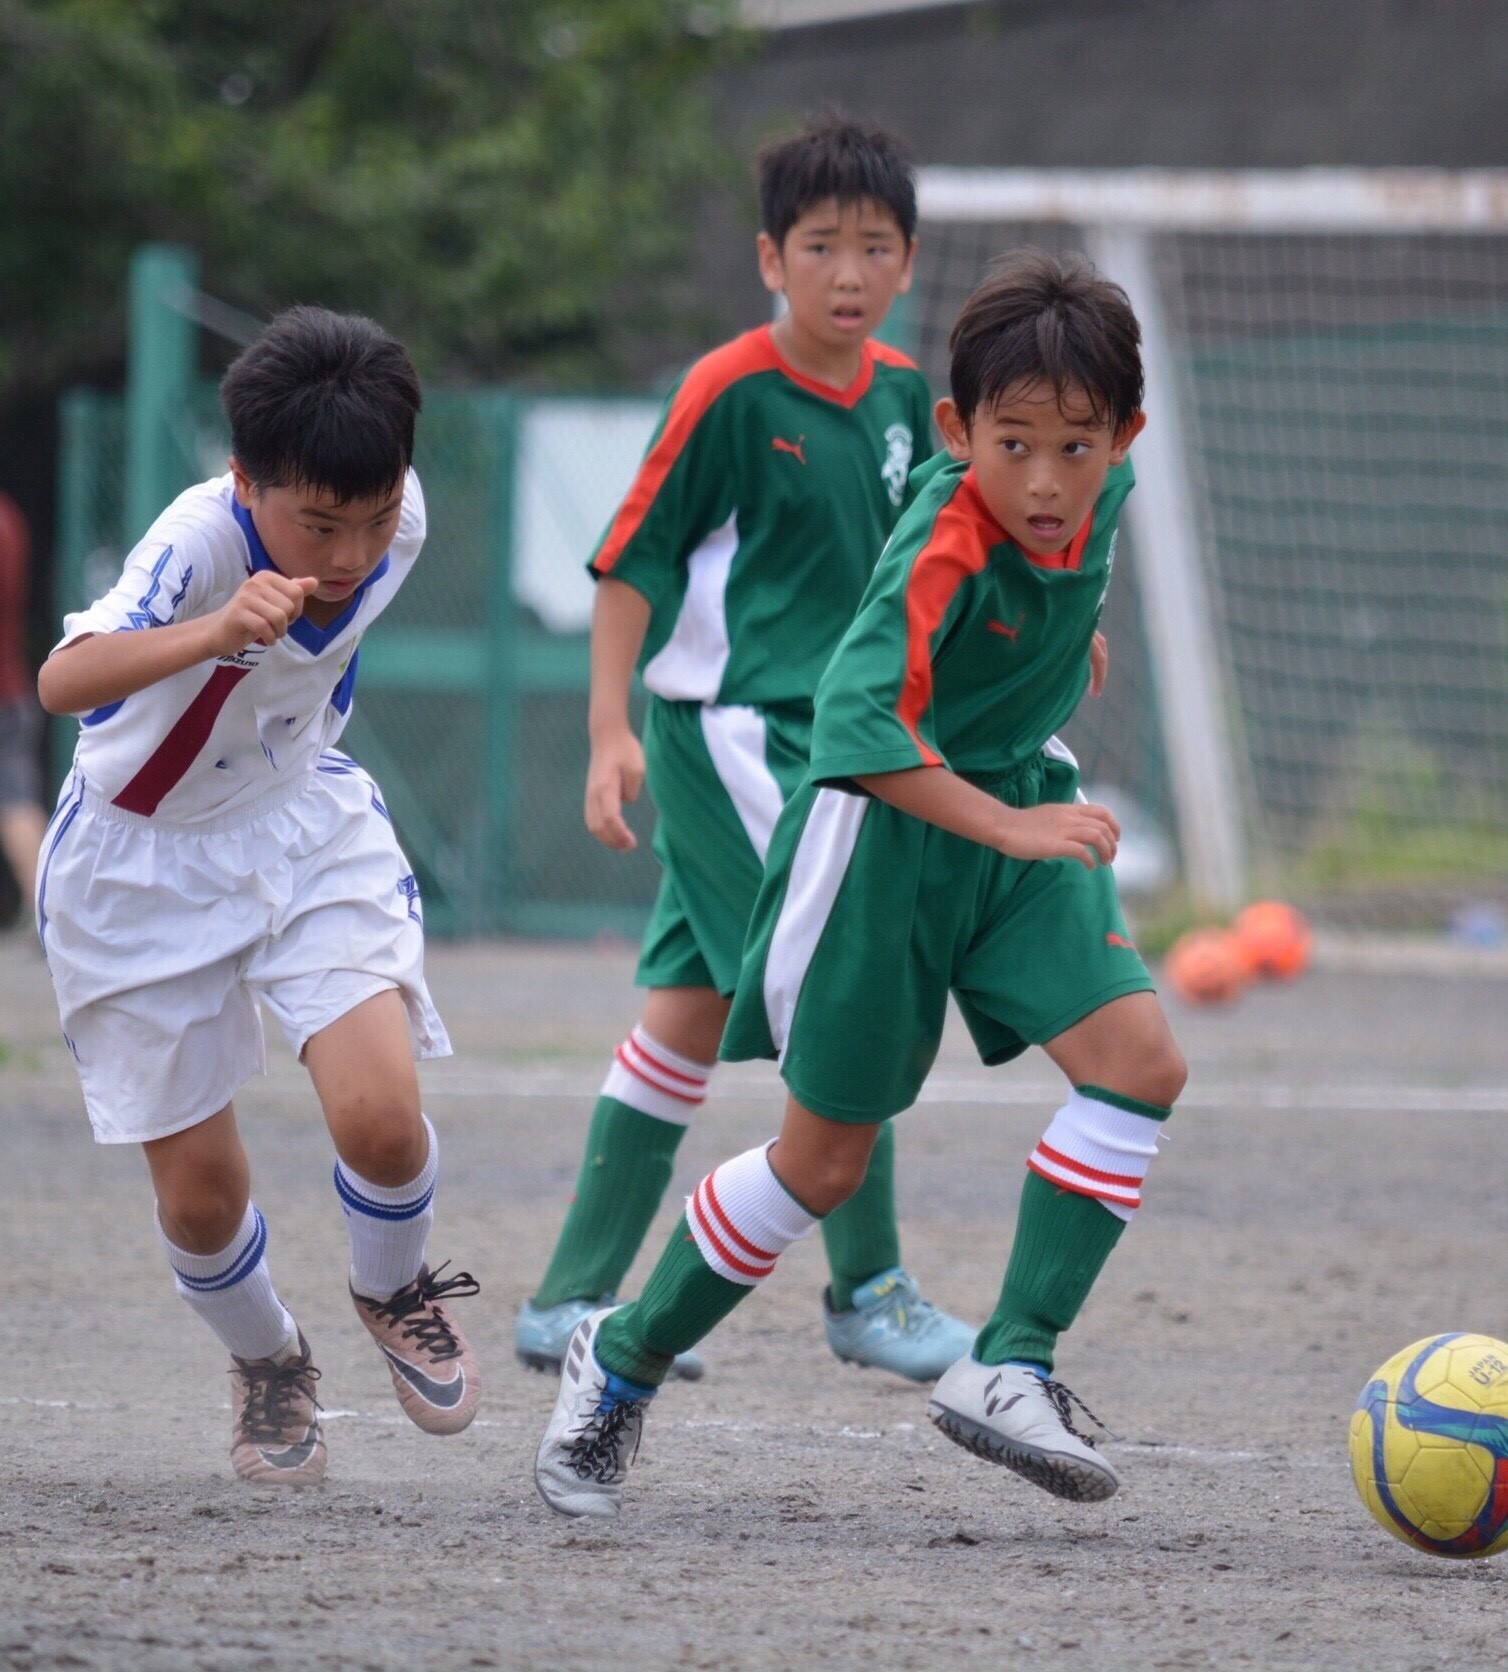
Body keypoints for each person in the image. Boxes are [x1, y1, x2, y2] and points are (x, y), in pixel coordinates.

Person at [535, 251, 1190, 1520]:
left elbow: (1049, 587)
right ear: (956, 430)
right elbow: (858, 733)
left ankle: (1010, 1364)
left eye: (1078, 445)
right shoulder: (938, 545)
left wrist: (1065, 645)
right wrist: (1007, 821)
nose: (1047, 481)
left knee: (1142, 1063)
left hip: (1014, 817)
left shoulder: (1096, 499)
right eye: (1013, 445)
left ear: (1125, 434)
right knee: (820, 1165)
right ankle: (618, 1359)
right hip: (880, 844)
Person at [516, 115, 976, 1386]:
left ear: (906, 261)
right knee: (849, 979)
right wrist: (608, 733)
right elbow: (630, 564)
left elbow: (944, 560)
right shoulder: (726, 390)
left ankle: (566, 1302)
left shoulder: (901, 397)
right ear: (770, 258)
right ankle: (868, 1292)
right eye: (819, 244)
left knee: (682, 1015)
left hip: (832, 745)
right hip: (728, 737)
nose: (846, 270)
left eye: (871, 247)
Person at [35, 307, 480, 1487]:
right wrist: (211, 628)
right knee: (199, 1198)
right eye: (318, 524)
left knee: (383, 1117)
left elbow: (352, 574)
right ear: (246, 480)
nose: (347, 553)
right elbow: (59, 677)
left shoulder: (404, 515)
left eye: (373, 518)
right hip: (136, 870)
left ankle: (393, 1285)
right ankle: (273, 1359)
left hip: (295, 823)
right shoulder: (200, 542)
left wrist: (359, 536)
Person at [0, 490, 47, 912]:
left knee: (14, 803)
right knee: (17, 800)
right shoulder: (10, 517)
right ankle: (46, 907)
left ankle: (46, 906)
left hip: (4, 693)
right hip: (13, 686)